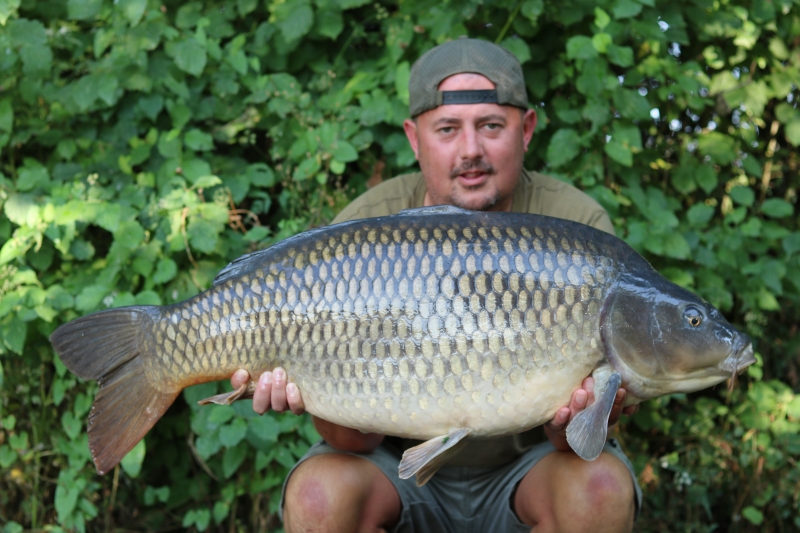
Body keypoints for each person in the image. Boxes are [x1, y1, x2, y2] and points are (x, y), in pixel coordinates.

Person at [231, 37, 642, 533]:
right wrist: (304, 389)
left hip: (527, 472)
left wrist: (582, 412)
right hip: (391, 471)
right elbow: (348, 441)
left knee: (599, 490)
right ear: (414, 136)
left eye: (491, 126)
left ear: (526, 128)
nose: (471, 150)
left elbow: (574, 443)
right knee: (320, 496)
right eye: (447, 129)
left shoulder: (577, 230)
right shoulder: (365, 228)